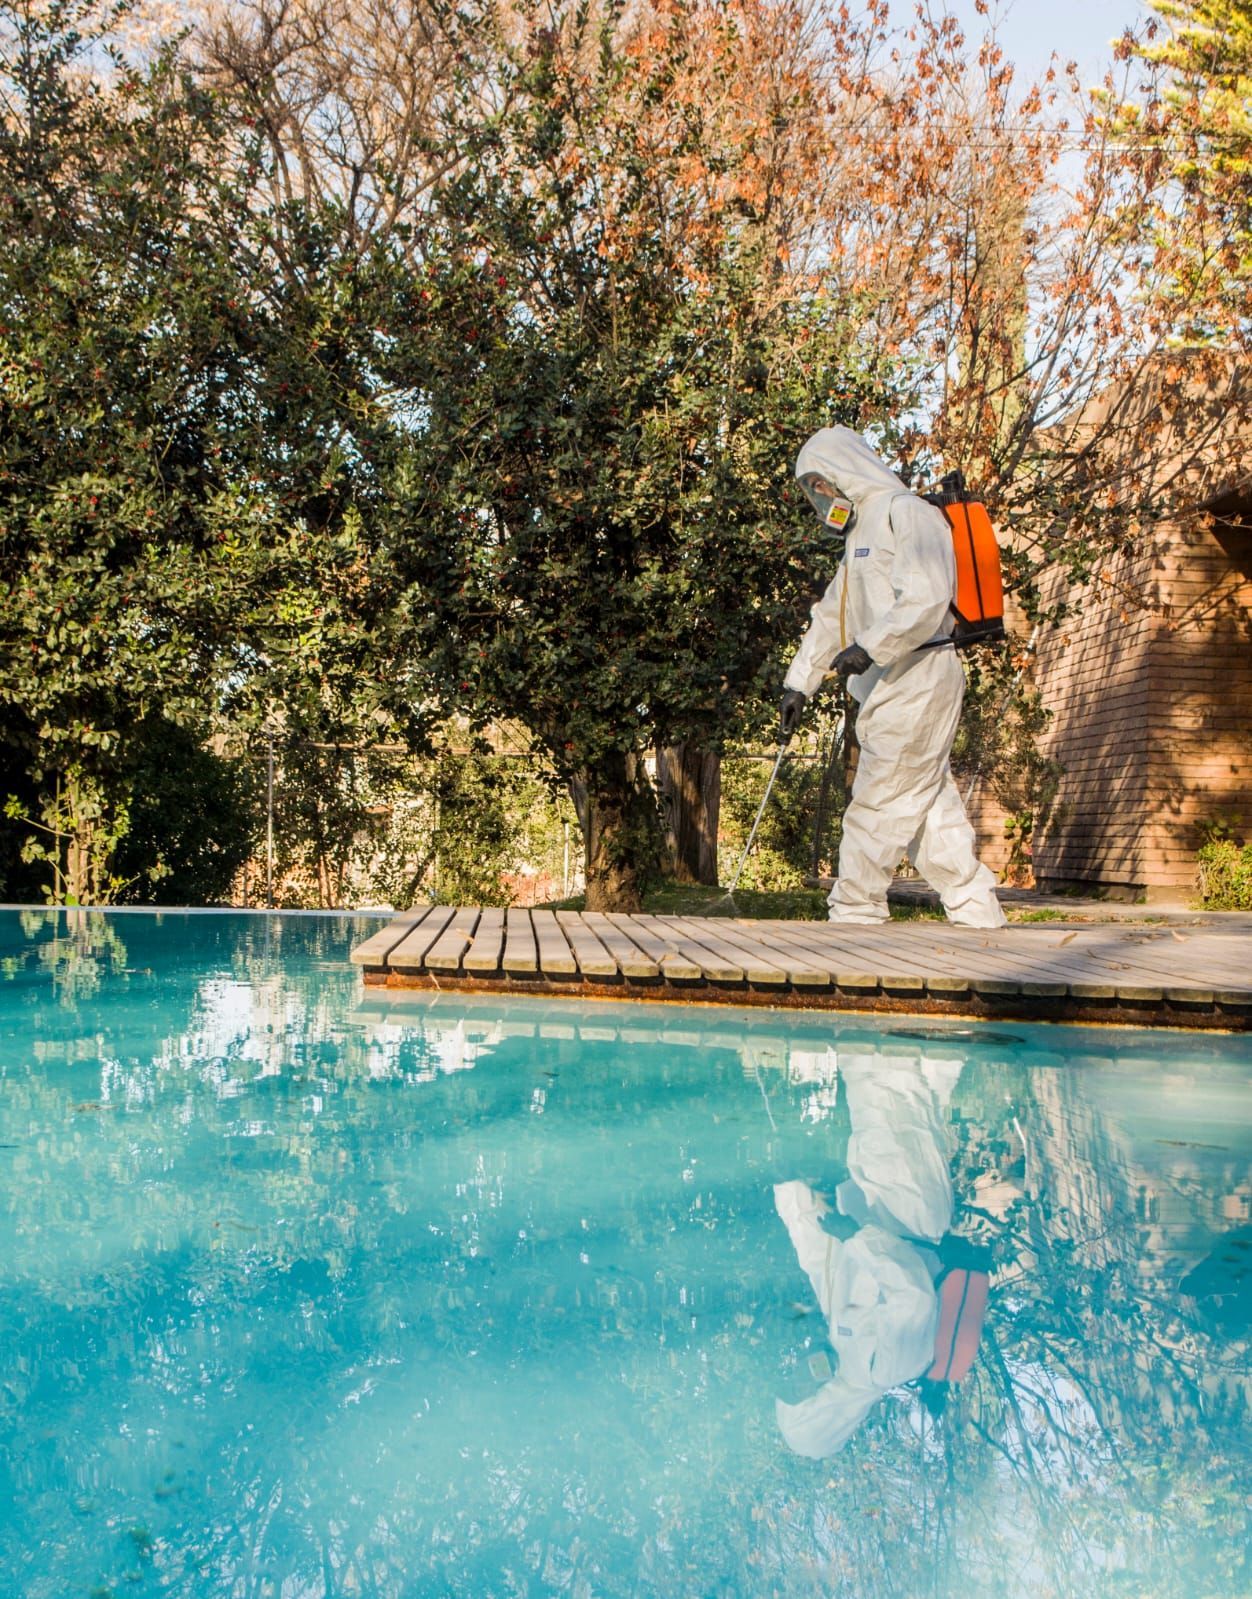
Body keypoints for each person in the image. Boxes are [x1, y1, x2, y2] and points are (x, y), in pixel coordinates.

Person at [778, 426, 1006, 929]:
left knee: (878, 800)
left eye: (820, 483)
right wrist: (799, 684)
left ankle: (854, 914)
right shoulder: (859, 537)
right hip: (888, 686)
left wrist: (871, 646)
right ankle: (978, 912)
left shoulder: (908, 513)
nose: (820, 496)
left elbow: (927, 596)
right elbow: (830, 617)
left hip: (920, 678)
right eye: (812, 489)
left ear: (843, 470)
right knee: (929, 811)